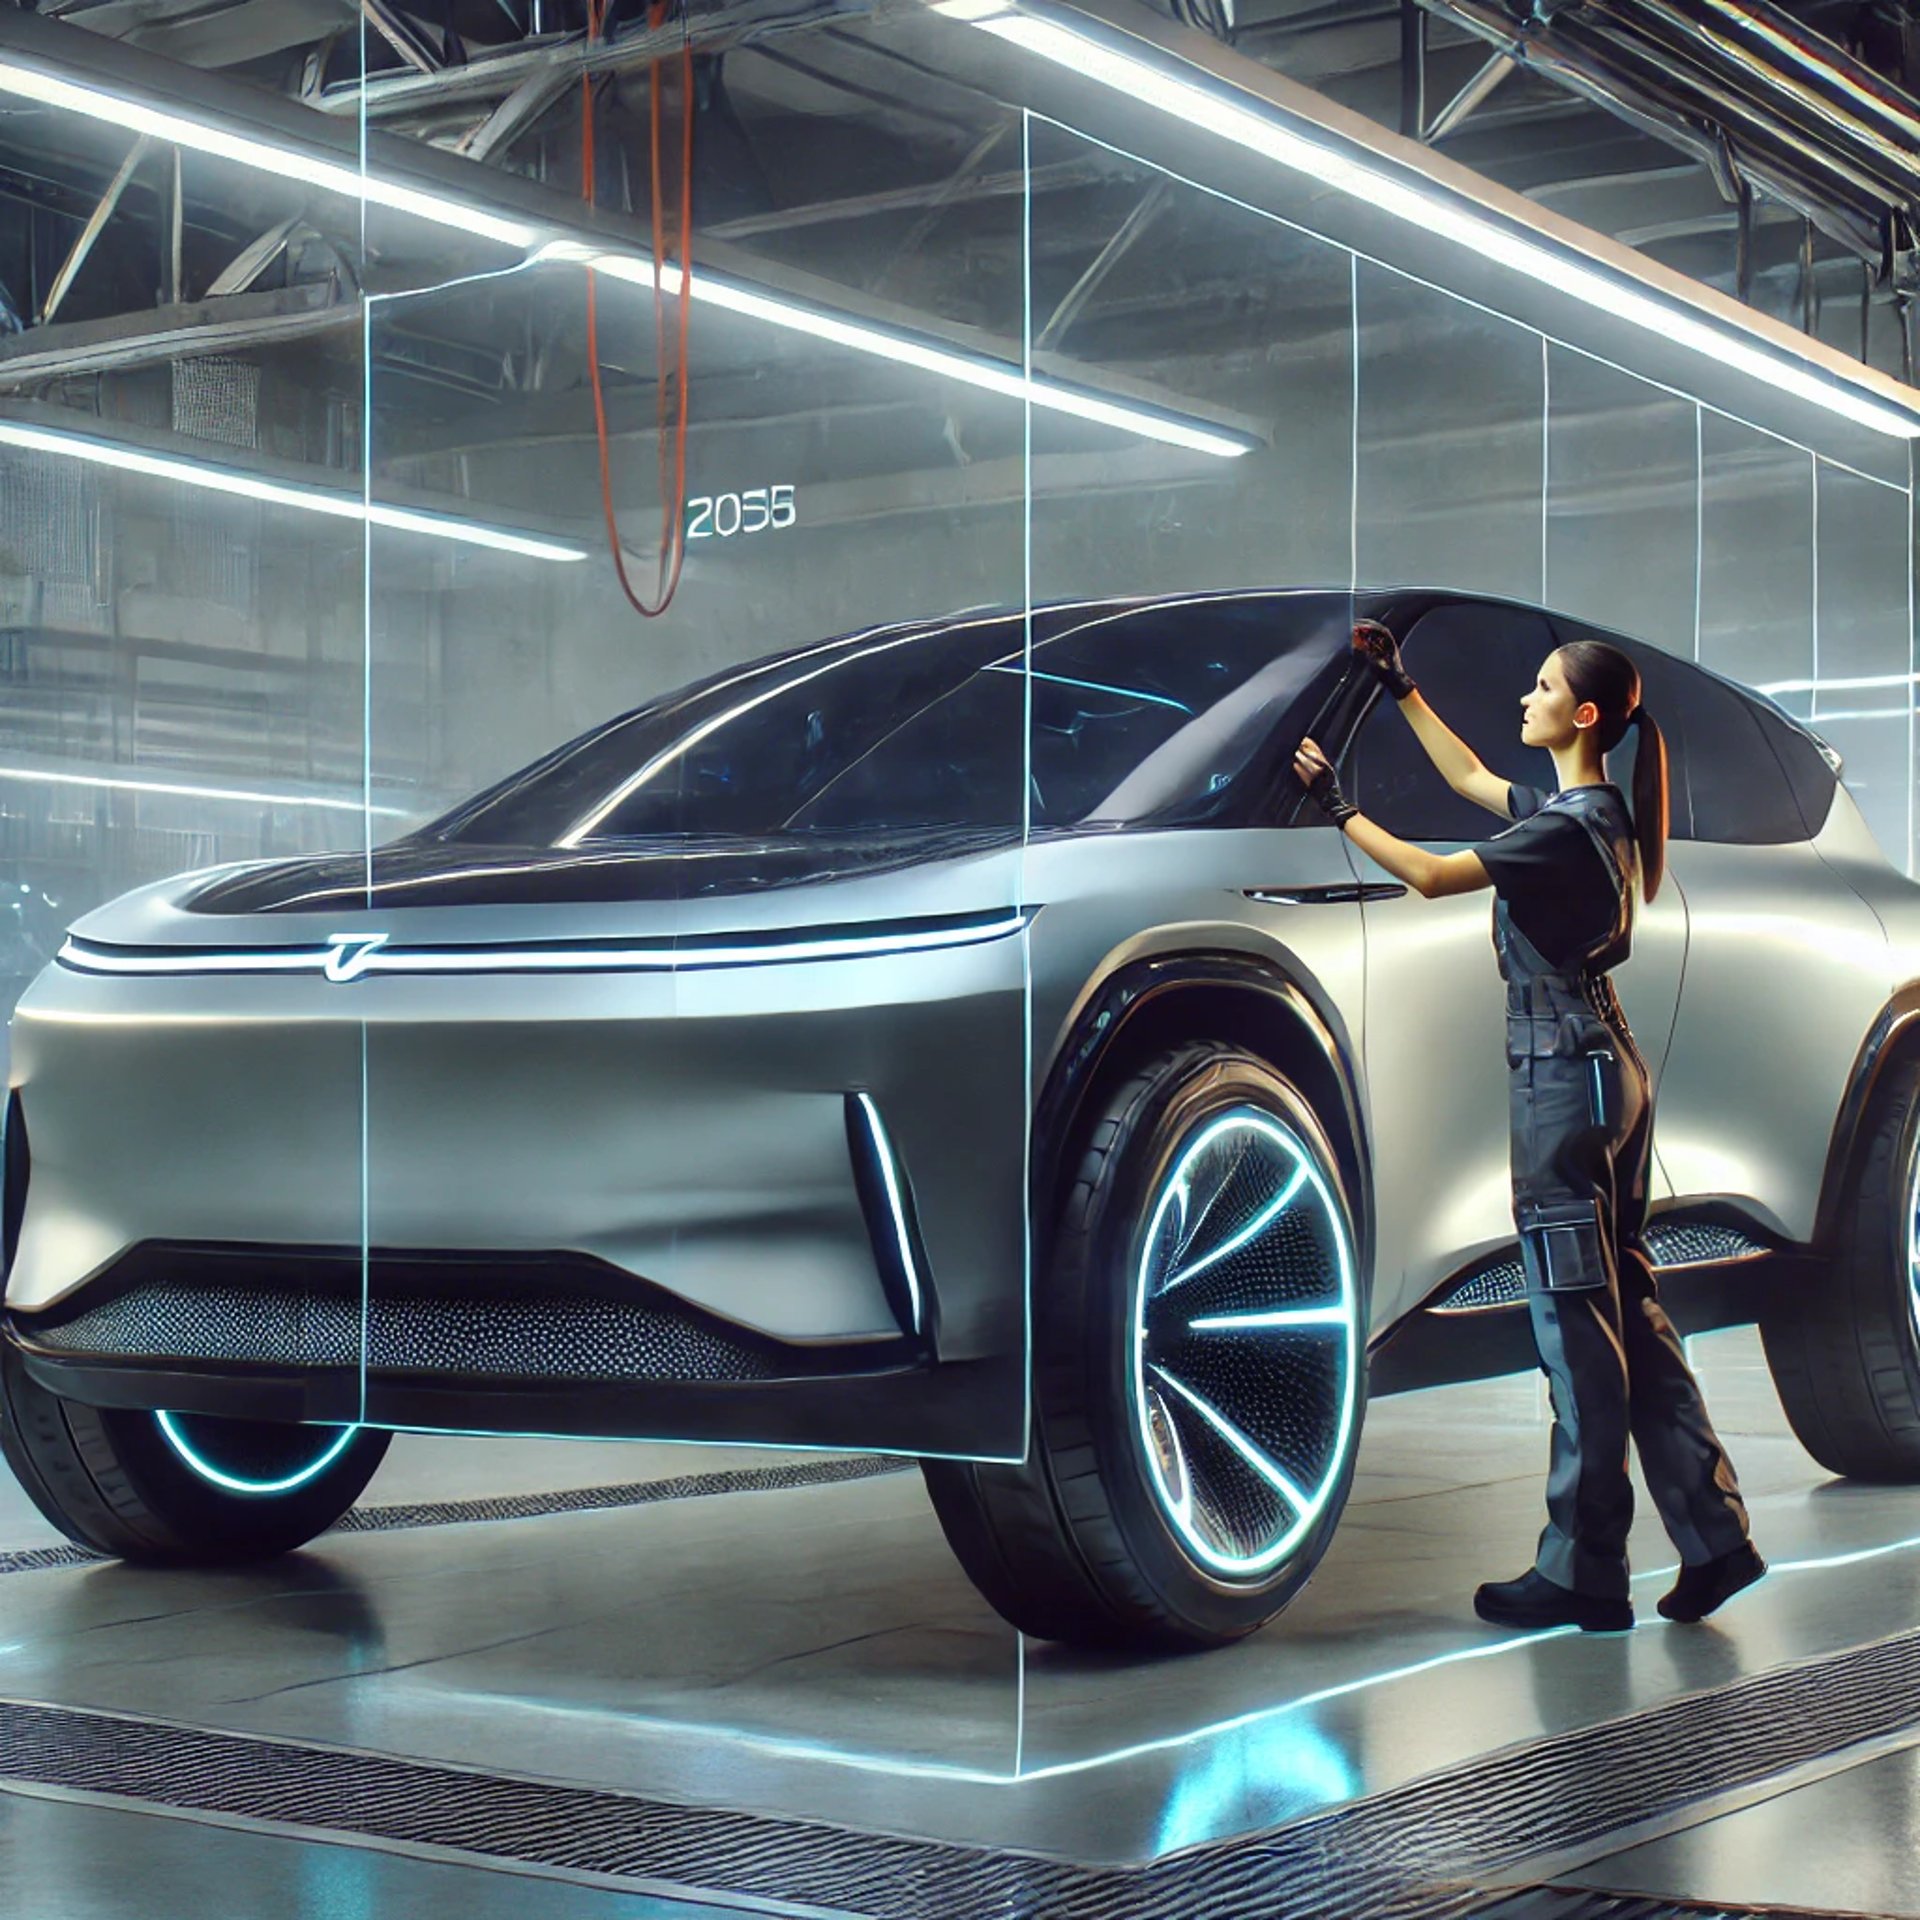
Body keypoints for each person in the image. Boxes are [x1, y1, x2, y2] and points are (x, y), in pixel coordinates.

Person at [1291, 618, 1766, 1634]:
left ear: (1583, 714)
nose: (1525, 698)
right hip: (1610, 1074)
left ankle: (1587, 1569)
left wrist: (1336, 805)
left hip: (1562, 1081)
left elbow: (1427, 876)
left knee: (1578, 1330)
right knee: (1629, 1310)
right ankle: (1716, 1538)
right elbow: (1468, 776)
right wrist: (1398, 685)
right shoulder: (1589, 816)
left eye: (1543, 687)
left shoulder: (1558, 828)